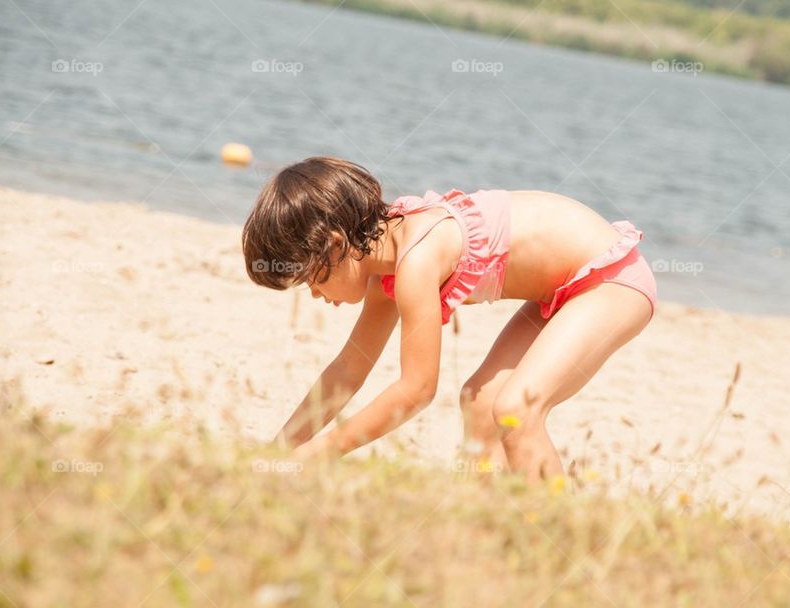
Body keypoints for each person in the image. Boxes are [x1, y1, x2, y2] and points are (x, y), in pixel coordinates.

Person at [241, 156, 657, 482]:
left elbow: (417, 389)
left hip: (610, 278)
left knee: (516, 408)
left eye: (311, 279)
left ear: (334, 247)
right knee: (480, 404)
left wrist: (316, 456)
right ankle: (486, 528)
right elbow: (348, 370)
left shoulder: (417, 259)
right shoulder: (384, 260)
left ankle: (554, 538)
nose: (315, 294)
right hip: (563, 289)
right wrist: (277, 454)